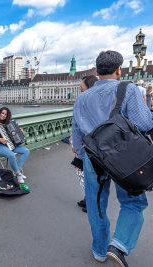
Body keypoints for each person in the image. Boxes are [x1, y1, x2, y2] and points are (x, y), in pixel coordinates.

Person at [72, 51, 152, 266]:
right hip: (124, 158)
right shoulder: (129, 89)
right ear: (119, 69)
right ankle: (119, 245)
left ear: (97, 72)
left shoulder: (82, 98)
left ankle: (99, 250)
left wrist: (82, 157)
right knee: (133, 203)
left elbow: (77, 133)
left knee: (96, 204)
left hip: (93, 158)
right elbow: (144, 124)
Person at [72, 75, 98, 213]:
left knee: (84, 173)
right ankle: (88, 198)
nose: (81, 91)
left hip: (86, 145)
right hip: (101, 145)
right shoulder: (102, 99)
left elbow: (76, 127)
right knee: (96, 175)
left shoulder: (82, 100)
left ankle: (91, 202)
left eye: (82, 88)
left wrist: (77, 150)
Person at [0, 107, 29, 184]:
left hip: (10, 145)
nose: (3, 115)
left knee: (26, 151)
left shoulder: (8, 123)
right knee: (12, 155)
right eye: (2, 113)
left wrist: (20, 131)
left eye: (5, 114)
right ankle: (18, 174)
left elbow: (13, 135)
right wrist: (0, 139)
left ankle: (17, 170)